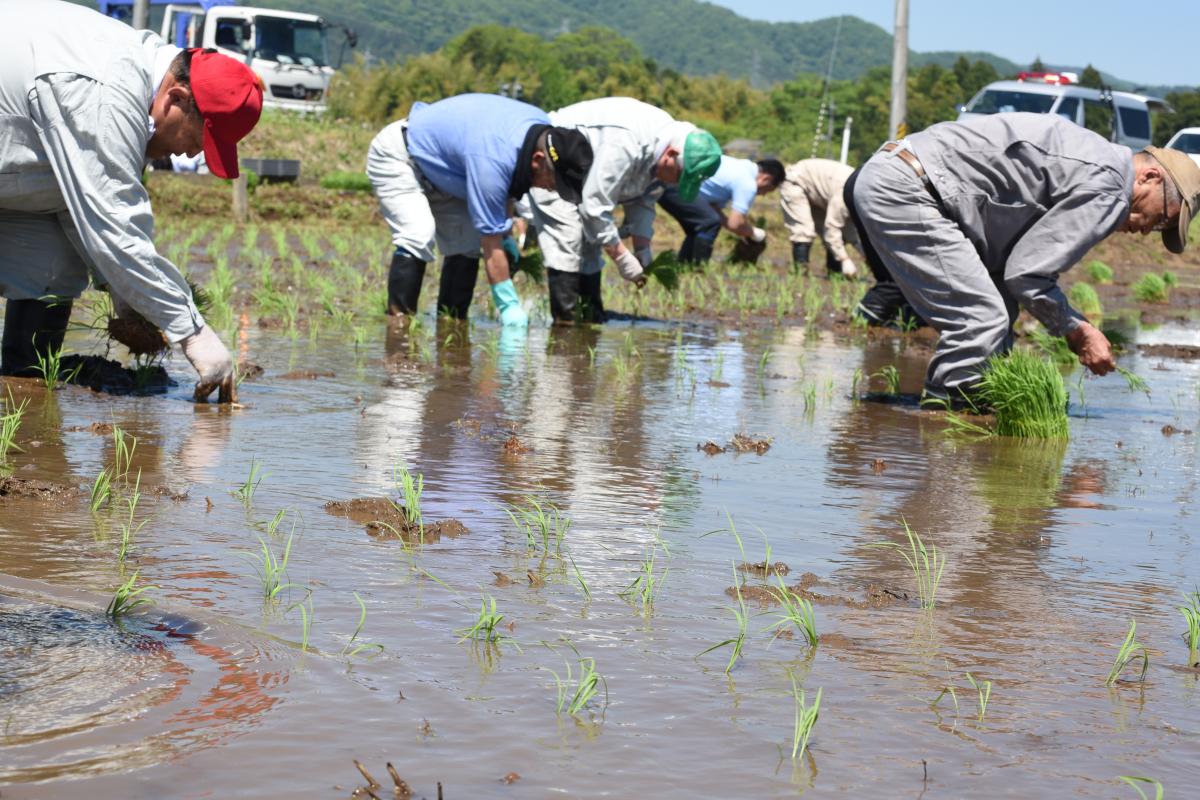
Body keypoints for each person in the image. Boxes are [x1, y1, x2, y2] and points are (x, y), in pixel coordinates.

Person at [0, 0, 262, 402]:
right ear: (175, 98)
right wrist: (195, 337)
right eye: (196, 141)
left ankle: (23, 386)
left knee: (52, 266)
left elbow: (80, 205)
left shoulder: (138, 86)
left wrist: (122, 288)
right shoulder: (104, 94)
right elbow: (114, 226)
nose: (190, 156)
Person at [851, 112, 1200, 404]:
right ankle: (944, 428)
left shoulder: (1099, 163)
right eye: (1163, 218)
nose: (1149, 230)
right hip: (908, 188)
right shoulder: (1110, 188)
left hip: (905, 178)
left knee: (995, 316)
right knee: (980, 320)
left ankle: (968, 417)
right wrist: (1079, 330)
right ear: (1150, 177)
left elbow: (1009, 272)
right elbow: (1028, 275)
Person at [366, 94, 593, 326]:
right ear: (538, 160)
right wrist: (508, 306)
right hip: (402, 156)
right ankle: (399, 331)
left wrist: (506, 236)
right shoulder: (492, 161)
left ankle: (451, 328)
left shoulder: (539, 130)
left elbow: (512, 182)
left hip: (448, 171)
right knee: (418, 233)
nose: (551, 189)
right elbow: (490, 238)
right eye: (554, 182)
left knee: (467, 247)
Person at [528, 97, 722, 323]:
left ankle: (591, 318)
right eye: (680, 176)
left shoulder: (664, 152)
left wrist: (642, 247)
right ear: (671, 154)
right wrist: (621, 257)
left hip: (585, 178)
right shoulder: (627, 141)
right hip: (552, 161)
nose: (676, 183)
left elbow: (644, 199)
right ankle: (566, 326)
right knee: (568, 239)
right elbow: (594, 208)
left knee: (591, 248)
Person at [657, 156, 785, 263]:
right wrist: (754, 233)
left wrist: (744, 230)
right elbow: (736, 224)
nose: (763, 194)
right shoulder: (748, 183)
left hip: (670, 181)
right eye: (768, 190)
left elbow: (715, 211)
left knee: (704, 222)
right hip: (676, 184)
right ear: (766, 179)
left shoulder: (740, 167)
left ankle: (684, 265)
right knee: (708, 222)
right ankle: (696, 269)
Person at [779, 158, 862, 278]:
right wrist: (845, 259)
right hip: (796, 182)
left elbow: (852, 233)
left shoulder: (860, 196)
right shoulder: (846, 196)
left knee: (840, 235)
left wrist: (869, 257)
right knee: (803, 230)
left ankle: (834, 274)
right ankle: (801, 274)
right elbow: (832, 228)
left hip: (820, 191)